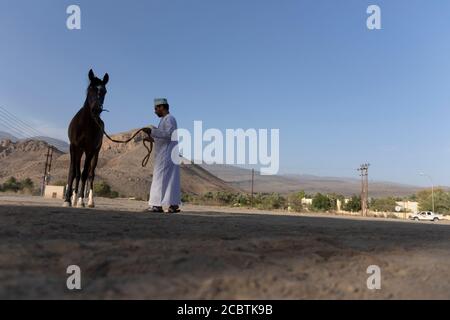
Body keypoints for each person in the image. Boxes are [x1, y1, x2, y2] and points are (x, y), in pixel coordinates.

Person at [143, 98, 181, 213]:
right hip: (165, 155)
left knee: (159, 179)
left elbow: (170, 134)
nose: (155, 111)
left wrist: (152, 132)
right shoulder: (165, 120)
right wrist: (151, 139)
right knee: (170, 181)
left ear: (162, 107)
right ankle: (173, 205)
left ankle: (156, 205)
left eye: (156, 108)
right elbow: (163, 138)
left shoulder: (169, 119)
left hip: (166, 156)